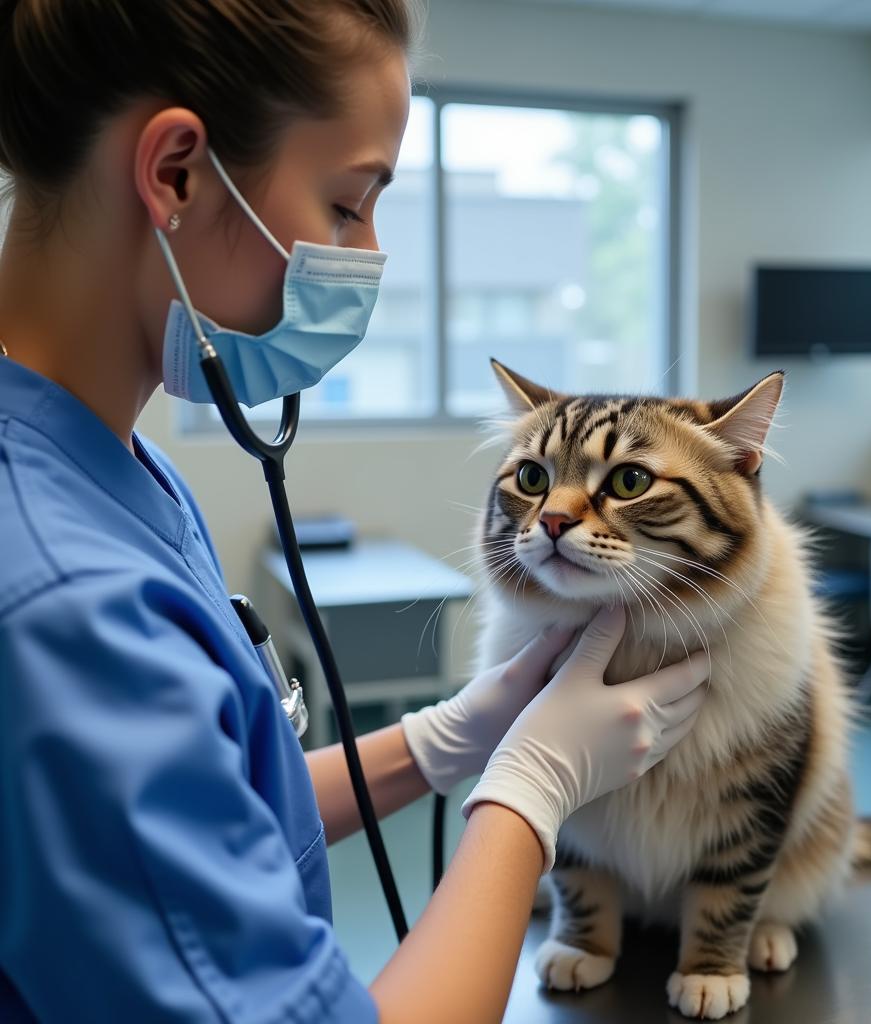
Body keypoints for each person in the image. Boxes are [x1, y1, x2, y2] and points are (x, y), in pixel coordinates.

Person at [0, 2, 710, 1022]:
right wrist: (528, 793)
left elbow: (213, 812)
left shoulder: (116, 468)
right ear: (176, 175)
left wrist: (443, 741)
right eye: (348, 204)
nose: (369, 251)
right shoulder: (61, 603)